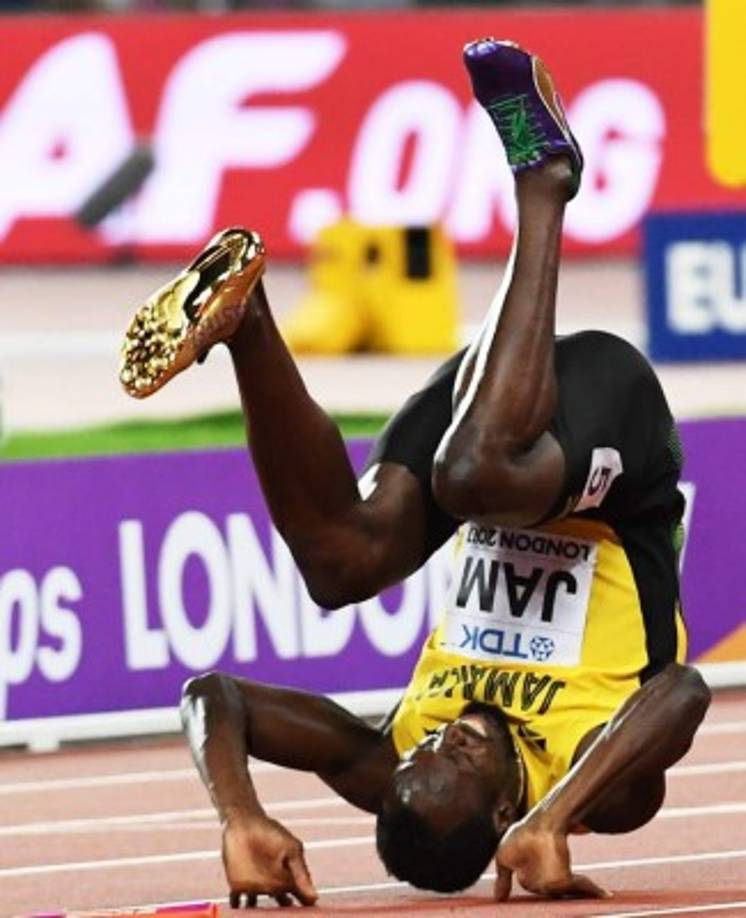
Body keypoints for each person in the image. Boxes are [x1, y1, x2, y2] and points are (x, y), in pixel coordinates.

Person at [121, 39, 711, 908]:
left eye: (427, 752)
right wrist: (557, 818)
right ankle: (545, 181)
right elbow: (685, 693)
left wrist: (238, 813)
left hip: (497, 412)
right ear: (507, 808)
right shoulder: (600, 780)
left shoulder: (398, 751)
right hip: (605, 446)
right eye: (464, 759)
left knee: (338, 563)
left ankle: (246, 324)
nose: (449, 736)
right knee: (476, 476)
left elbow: (214, 696)